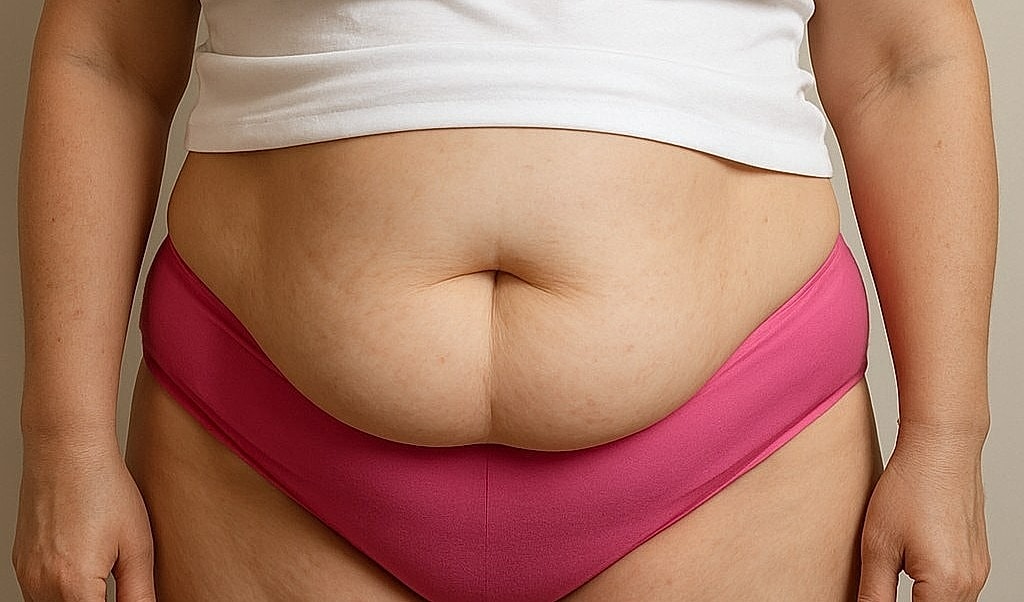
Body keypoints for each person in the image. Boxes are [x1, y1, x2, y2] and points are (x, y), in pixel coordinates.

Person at [13, 0, 995, 600]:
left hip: (736, 458)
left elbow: (906, 61)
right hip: (266, 451)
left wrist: (947, 439)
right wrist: (63, 442)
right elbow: (105, 54)